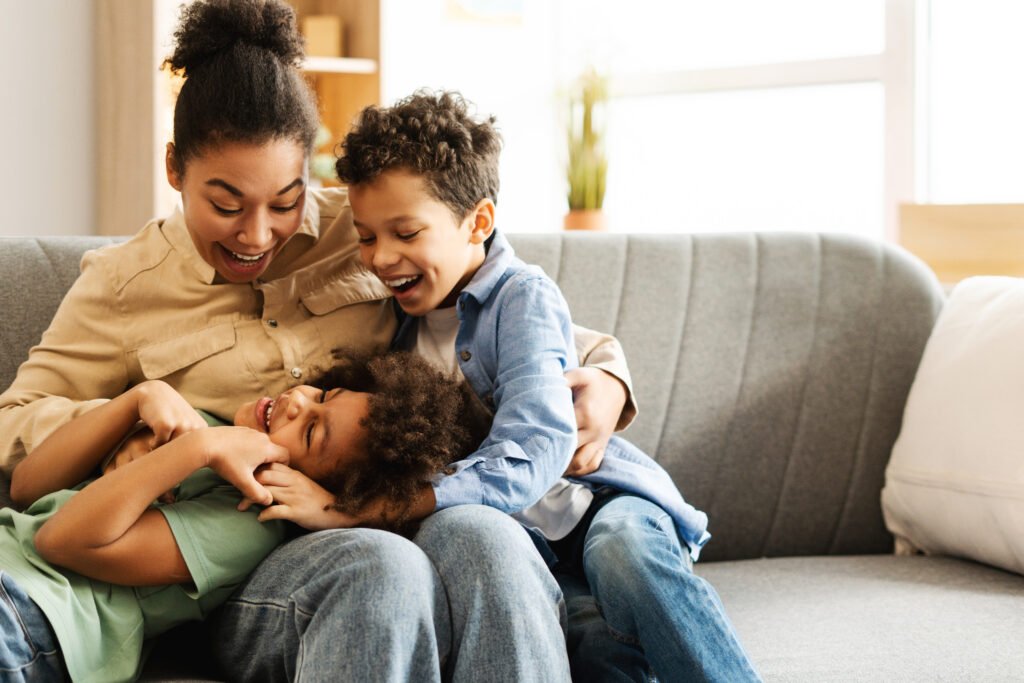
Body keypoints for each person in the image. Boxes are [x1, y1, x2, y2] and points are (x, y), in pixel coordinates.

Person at [0, 1, 635, 680]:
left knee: (482, 538)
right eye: (225, 204)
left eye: (284, 200)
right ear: (174, 169)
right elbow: (16, 425)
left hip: (361, 521)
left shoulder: (363, 229)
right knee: (380, 565)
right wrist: (136, 419)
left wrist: (607, 375)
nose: (256, 235)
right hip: (234, 557)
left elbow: (498, 306)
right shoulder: (121, 285)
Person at [332, 90, 763, 682]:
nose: (381, 257)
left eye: (406, 232)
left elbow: (537, 445)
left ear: (478, 222)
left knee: (625, 557)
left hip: (597, 504)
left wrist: (412, 500)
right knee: (590, 642)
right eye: (365, 235)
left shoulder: (521, 297)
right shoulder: (394, 330)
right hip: (534, 544)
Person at [2, 351, 479, 683]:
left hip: (34, 615)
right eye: (324, 394)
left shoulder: (247, 521)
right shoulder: (207, 429)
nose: (297, 401)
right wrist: (137, 399)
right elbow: (26, 487)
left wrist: (197, 449)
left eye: (310, 432)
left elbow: (60, 542)